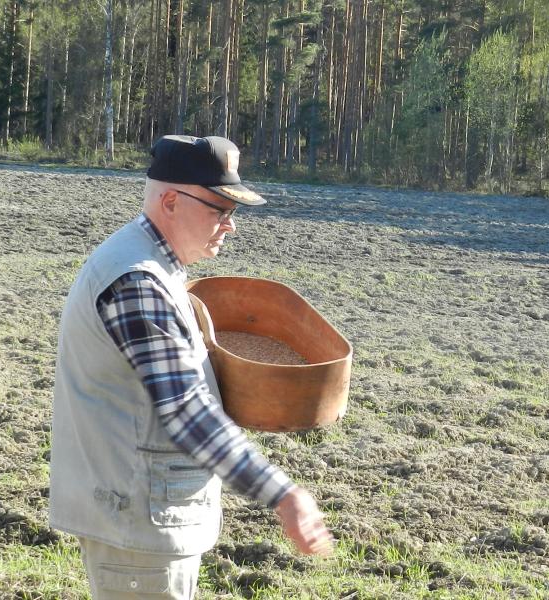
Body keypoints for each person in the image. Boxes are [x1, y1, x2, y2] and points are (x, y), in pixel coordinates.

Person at [48, 134, 334, 599]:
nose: (230, 225)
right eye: (219, 209)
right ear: (170, 201)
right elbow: (185, 411)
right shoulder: (138, 282)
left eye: (233, 212)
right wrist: (282, 494)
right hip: (138, 523)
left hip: (146, 517)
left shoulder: (155, 268)